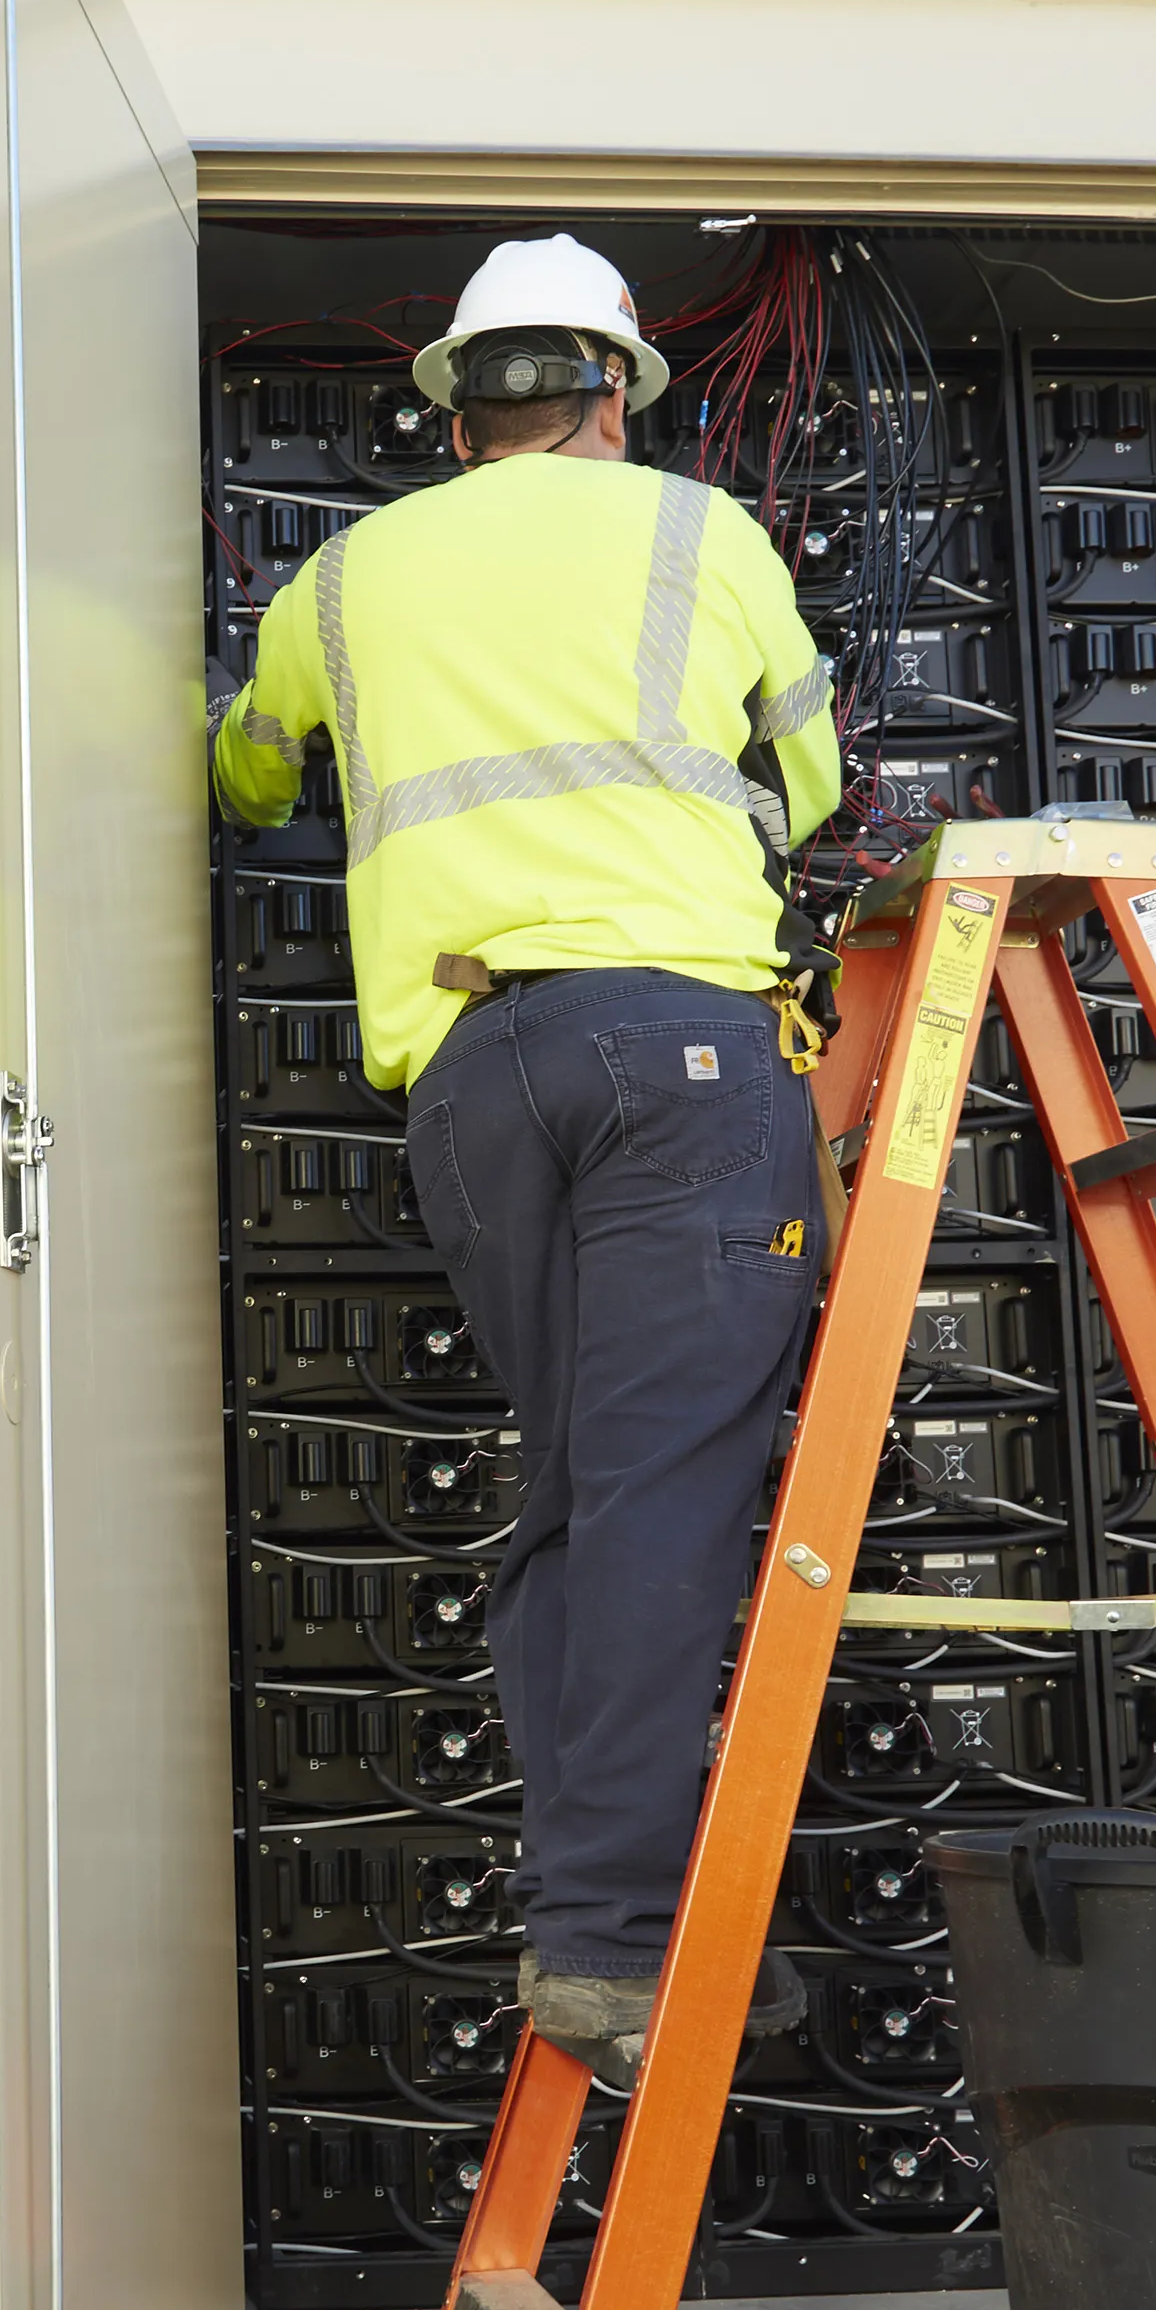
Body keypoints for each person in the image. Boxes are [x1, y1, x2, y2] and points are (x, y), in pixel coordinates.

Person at [209, 236, 845, 2093]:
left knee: (574, 1491)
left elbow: (247, 771)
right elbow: (808, 788)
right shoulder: (698, 540)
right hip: (687, 1050)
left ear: (460, 413)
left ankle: (593, 1923)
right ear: (613, 392)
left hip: (474, 1074)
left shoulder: (341, 578)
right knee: (663, 1489)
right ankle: (621, 1938)